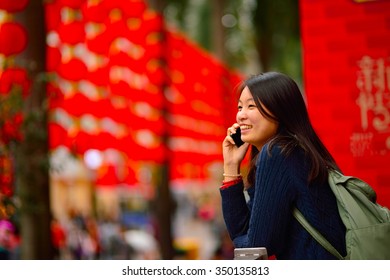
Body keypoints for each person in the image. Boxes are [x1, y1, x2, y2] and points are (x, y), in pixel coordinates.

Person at [220, 72, 347, 259]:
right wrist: (231, 166)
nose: (241, 116)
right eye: (240, 107)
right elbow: (247, 233)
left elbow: (255, 248)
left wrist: (241, 238)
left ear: (280, 110)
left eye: (251, 106)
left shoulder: (278, 153)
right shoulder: (294, 150)